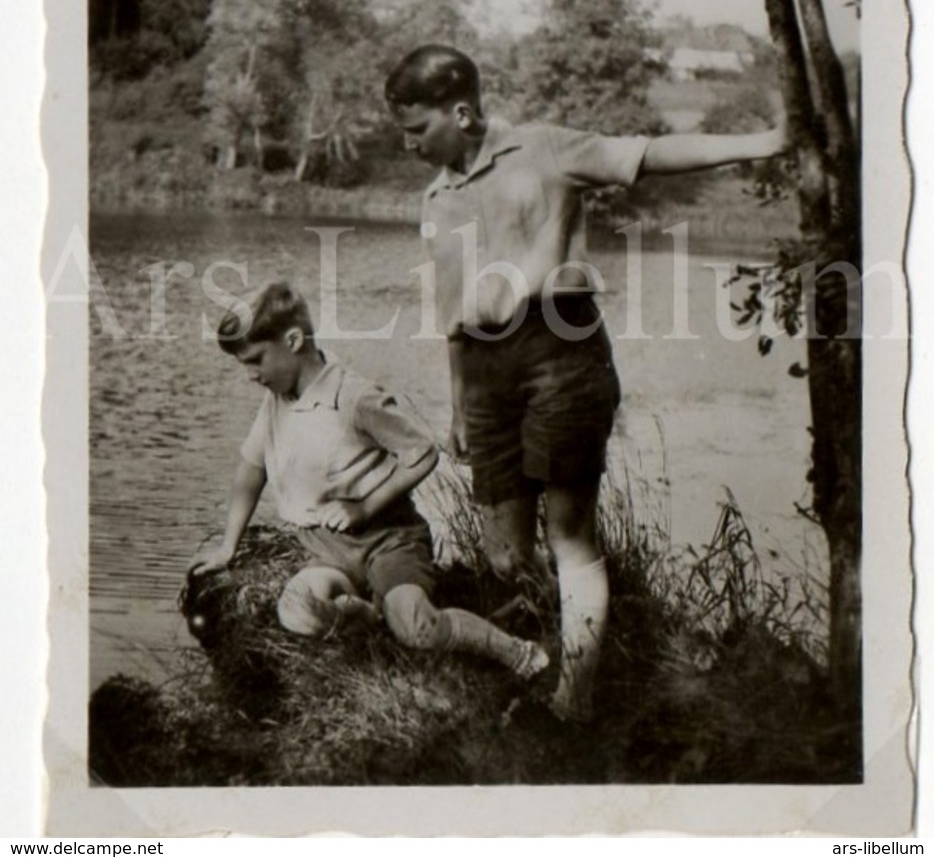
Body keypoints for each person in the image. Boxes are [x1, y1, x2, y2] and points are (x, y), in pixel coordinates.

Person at [384, 43, 788, 723]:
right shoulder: (436, 198)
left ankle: (575, 701)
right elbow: (450, 312)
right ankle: (532, 665)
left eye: (417, 129)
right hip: (484, 374)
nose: (407, 144)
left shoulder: (545, 149)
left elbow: (652, 153)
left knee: (569, 530)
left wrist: (769, 140)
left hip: (560, 349)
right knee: (505, 555)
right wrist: (458, 402)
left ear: (461, 111)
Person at [188, 279, 548, 681]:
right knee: (297, 612)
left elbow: (423, 453)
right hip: (326, 549)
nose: (251, 375)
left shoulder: (353, 397)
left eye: (255, 360)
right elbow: (250, 471)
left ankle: (517, 653)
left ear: (292, 341)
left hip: (388, 540)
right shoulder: (276, 403)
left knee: (416, 625)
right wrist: (227, 546)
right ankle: (372, 621)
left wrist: (364, 506)